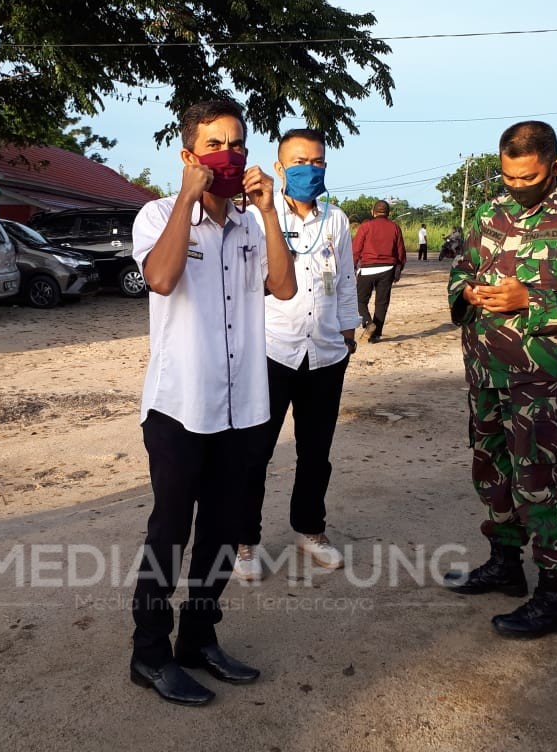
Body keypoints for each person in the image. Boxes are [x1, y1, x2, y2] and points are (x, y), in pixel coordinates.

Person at [129, 100, 297, 706]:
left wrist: (269, 214)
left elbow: (283, 287)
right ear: (189, 155)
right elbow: (161, 279)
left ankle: (198, 640)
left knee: (223, 532)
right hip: (180, 407)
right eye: (215, 143)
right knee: (169, 532)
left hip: (244, 407)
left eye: (238, 143)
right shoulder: (155, 216)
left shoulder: (252, 227)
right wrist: (186, 199)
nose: (229, 153)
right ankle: (148, 654)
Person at [443, 121, 557, 638]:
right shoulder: (488, 211)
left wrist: (531, 301)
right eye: (509, 176)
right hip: (485, 367)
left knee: (538, 479)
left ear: (553, 166)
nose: (517, 186)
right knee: (489, 467)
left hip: (539, 375)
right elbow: (460, 266)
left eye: (529, 177)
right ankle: (505, 564)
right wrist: (466, 292)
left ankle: (554, 597)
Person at [233, 129, 361, 582]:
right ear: (281, 167)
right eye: (301, 161)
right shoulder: (253, 217)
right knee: (255, 451)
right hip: (271, 352)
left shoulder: (337, 220)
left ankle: (310, 529)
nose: (312, 168)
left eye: (319, 161)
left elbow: (345, 280)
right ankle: (244, 541)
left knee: (316, 452)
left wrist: (348, 335)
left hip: (325, 353)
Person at [352, 200, 406, 344]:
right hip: (388, 269)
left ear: (372, 212)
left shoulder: (365, 227)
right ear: (388, 213)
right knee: (382, 303)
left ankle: (368, 323)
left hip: (368, 268)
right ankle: (376, 335)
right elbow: (400, 252)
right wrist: (398, 270)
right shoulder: (395, 227)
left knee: (359, 300)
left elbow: (356, 250)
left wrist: (352, 267)